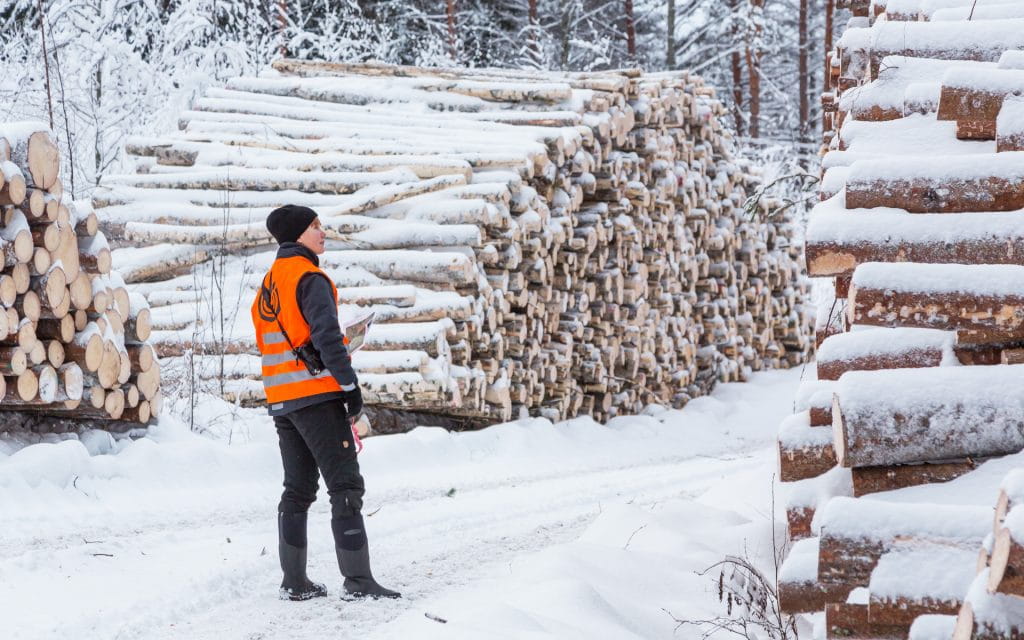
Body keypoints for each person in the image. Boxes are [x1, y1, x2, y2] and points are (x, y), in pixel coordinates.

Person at [251, 204, 400, 601]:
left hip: (282, 400)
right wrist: (350, 388)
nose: (323, 232)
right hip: (316, 396)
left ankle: (294, 582)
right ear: (299, 234)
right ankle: (358, 582)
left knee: (297, 490)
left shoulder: (267, 285)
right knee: (345, 486)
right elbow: (327, 338)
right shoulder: (310, 277)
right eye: (316, 226)